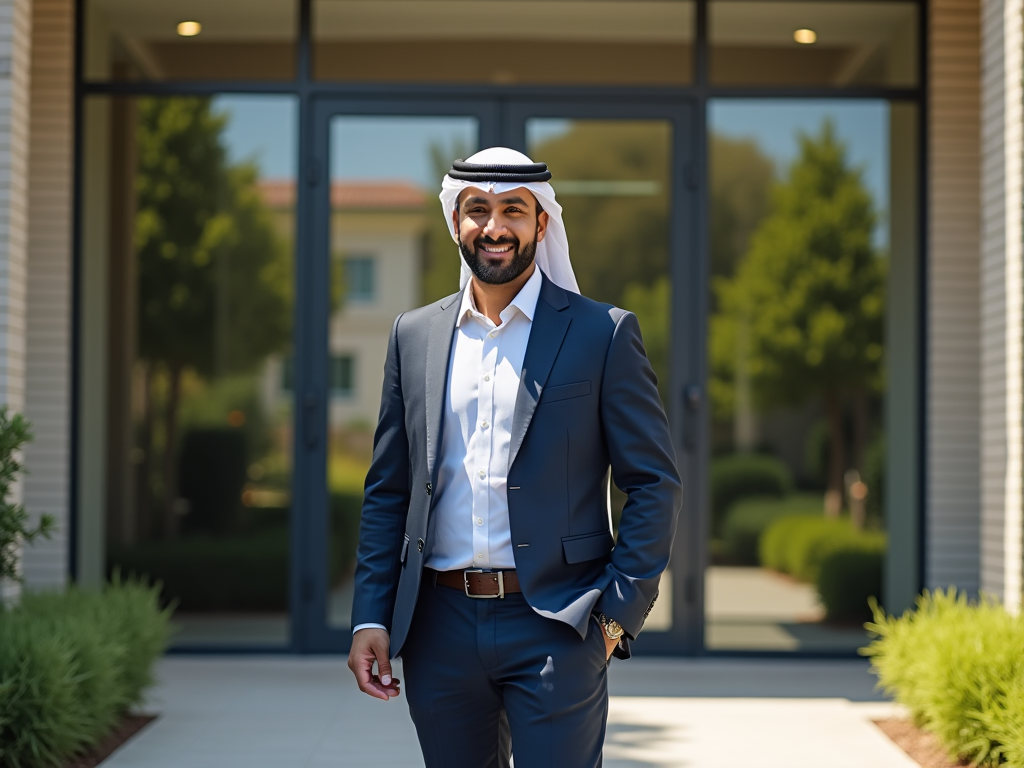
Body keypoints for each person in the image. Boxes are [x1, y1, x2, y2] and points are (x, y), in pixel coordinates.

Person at [347, 146, 682, 768]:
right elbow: (388, 491)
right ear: (455, 222)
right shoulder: (413, 335)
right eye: (477, 209)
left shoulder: (601, 334)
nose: (494, 227)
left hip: (558, 623)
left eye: (513, 210)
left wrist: (614, 618)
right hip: (438, 626)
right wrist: (371, 615)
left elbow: (655, 483)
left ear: (541, 223)